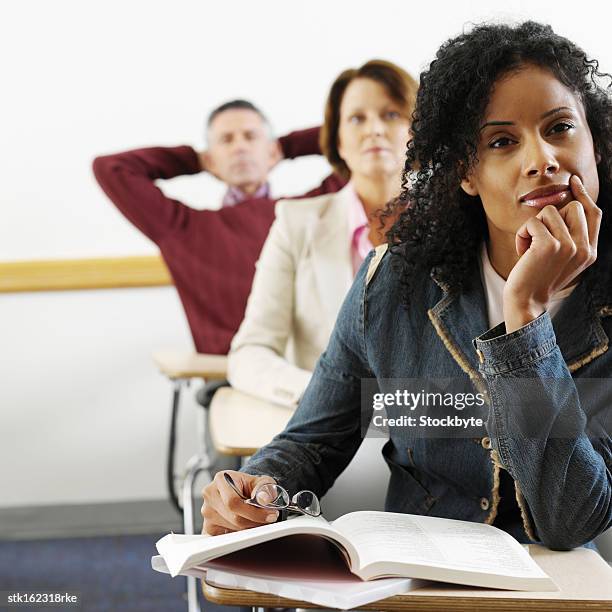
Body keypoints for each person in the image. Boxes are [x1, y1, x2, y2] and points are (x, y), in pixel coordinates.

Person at [201, 21, 612, 551]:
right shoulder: (393, 281)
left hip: (562, 587)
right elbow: (313, 440)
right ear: (466, 172)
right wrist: (259, 488)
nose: (542, 160)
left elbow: (569, 520)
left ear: (596, 144)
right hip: (418, 577)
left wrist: (526, 314)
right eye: (502, 141)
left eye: (559, 128)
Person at [227, 60, 417, 408]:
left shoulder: (458, 222)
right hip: (329, 432)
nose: (374, 129)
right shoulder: (295, 223)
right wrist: (325, 394)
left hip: (430, 430)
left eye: (391, 115)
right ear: (339, 141)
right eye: (356, 118)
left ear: (416, 133)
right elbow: (250, 352)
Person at [92, 100, 345, 355]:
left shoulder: (312, 210)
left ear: (271, 152)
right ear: (210, 160)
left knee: (380, 394)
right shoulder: (182, 229)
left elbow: (352, 141)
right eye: (226, 140)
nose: (240, 147)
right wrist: (194, 160)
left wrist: (288, 146)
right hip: (232, 376)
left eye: (250, 137)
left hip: (320, 371)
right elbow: (110, 168)